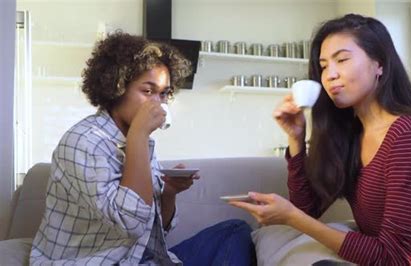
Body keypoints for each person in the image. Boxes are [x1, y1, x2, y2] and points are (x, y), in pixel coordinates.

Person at [229, 14, 411, 266]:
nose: (330, 74)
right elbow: (307, 210)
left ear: (379, 64)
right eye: (324, 65)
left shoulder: (407, 134)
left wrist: (292, 217)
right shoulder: (351, 134)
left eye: (342, 59)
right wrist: (296, 138)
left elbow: (395, 257)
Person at [30, 32, 255, 265]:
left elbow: (156, 232)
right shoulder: (85, 141)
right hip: (97, 262)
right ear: (116, 88)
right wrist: (138, 135)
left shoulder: (139, 141)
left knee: (234, 230)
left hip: (140, 259)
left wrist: (169, 193)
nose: (158, 103)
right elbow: (131, 225)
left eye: (164, 93)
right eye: (148, 91)